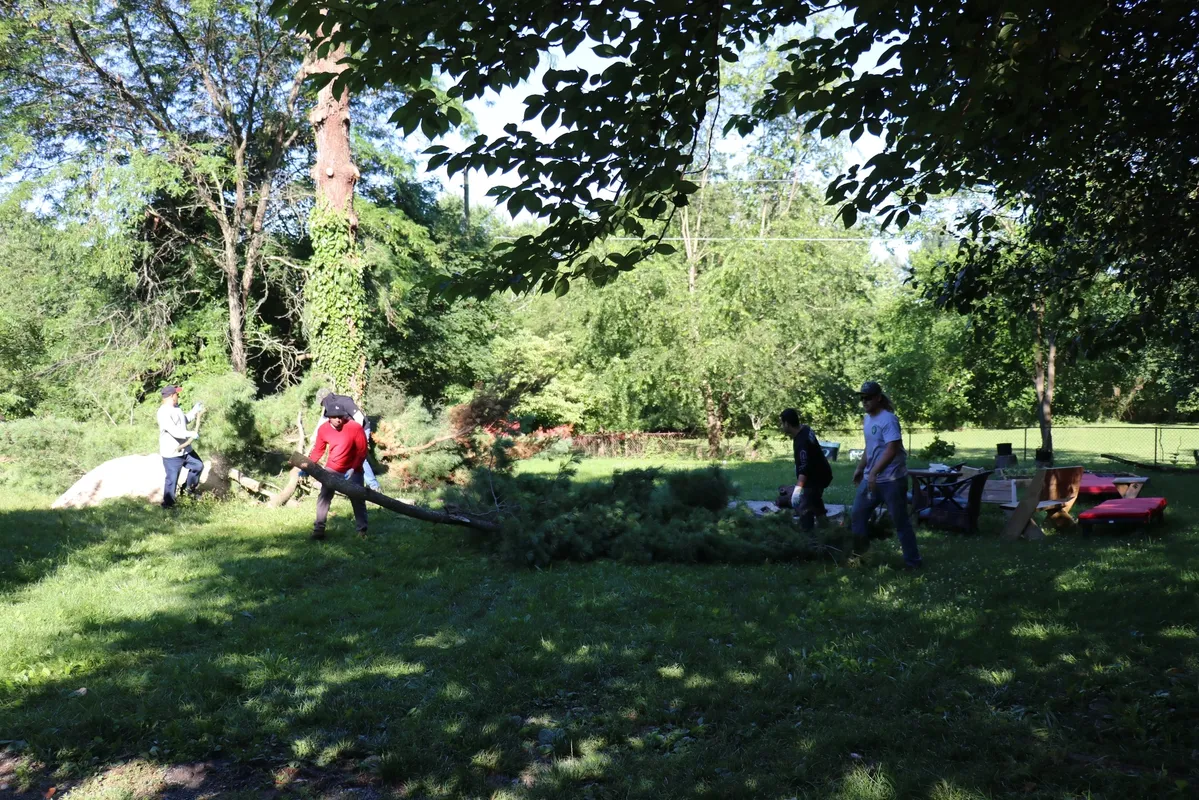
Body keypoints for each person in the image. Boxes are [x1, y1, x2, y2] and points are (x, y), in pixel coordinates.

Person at [851, 381, 922, 569]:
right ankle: (861, 558)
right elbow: (871, 447)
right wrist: (861, 468)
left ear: (878, 398)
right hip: (870, 480)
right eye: (862, 398)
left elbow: (892, 449)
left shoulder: (888, 419)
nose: (864, 401)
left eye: (868, 398)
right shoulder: (867, 419)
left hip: (892, 480)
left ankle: (913, 562)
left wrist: (874, 472)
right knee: (857, 516)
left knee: (900, 522)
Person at [307, 396, 369, 540]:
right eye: (334, 417)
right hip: (333, 468)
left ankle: (362, 531)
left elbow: (362, 451)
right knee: (324, 496)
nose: (338, 420)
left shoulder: (355, 427)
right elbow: (318, 450)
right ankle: (319, 530)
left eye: (340, 417)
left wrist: (354, 468)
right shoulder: (323, 430)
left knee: (357, 498)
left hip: (353, 469)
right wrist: (308, 466)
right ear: (328, 417)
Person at [315, 389, 380, 490]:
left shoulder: (345, 402)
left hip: (361, 429)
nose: (324, 406)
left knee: (359, 456)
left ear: (324, 400)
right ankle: (350, 484)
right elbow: (323, 421)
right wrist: (314, 437)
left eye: (322, 403)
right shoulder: (329, 406)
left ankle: (373, 486)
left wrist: (354, 436)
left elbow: (359, 418)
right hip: (347, 432)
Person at [780, 408, 832, 530]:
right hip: (823, 472)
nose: (781, 426)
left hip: (816, 478)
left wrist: (797, 491)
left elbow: (804, 470)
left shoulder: (801, 442)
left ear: (787, 423)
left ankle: (807, 538)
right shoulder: (805, 429)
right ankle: (827, 529)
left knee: (805, 507)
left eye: (782, 423)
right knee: (816, 503)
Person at [157, 385, 205, 509]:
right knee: (172, 479)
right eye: (176, 394)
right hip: (172, 452)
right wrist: (191, 434)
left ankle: (187, 492)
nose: (178, 396)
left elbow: (184, 420)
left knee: (198, 466)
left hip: (185, 450)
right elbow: (175, 431)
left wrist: (194, 411)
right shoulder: (163, 412)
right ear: (171, 396)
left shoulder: (176, 408)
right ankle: (168, 506)